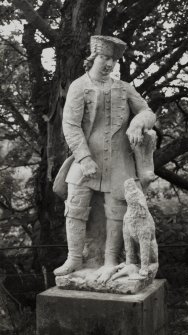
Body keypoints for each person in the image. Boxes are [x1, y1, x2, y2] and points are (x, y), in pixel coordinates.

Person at [53, 35, 156, 283]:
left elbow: (148, 111)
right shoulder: (79, 86)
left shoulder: (124, 88)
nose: (109, 63)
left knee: (117, 212)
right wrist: (84, 157)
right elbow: (70, 125)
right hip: (86, 162)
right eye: (105, 57)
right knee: (75, 208)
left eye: (113, 59)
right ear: (93, 58)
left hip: (120, 163)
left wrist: (138, 122)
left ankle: (110, 261)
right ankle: (74, 258)